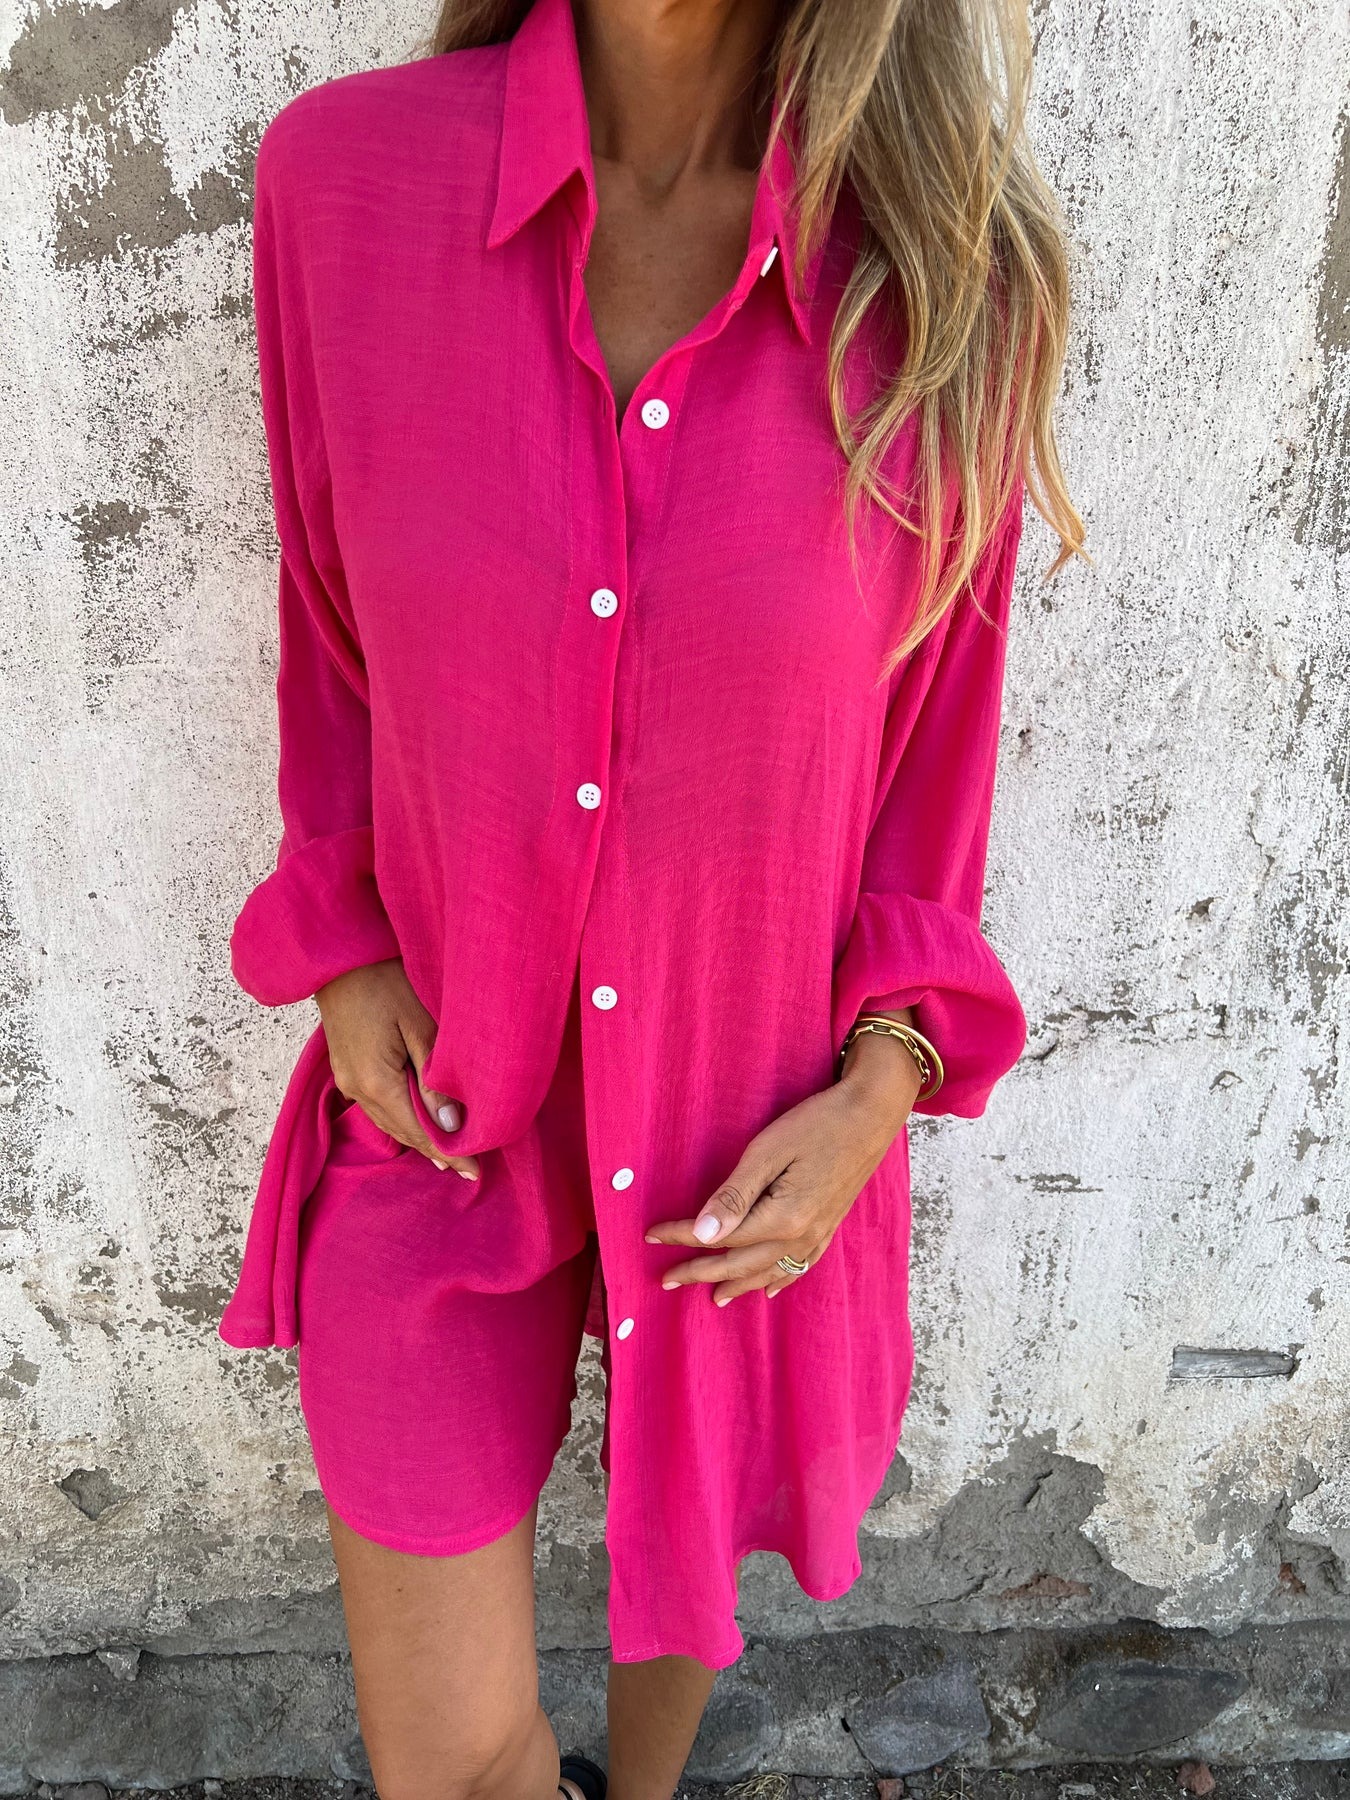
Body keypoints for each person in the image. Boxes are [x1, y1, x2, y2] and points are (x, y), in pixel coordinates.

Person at [218, 1, 1083, 1796]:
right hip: (441, 1107)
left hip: (743, 1139)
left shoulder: (944, 272)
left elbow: (934, 761)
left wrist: (880, 1088)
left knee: (662, 1688)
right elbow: (325, 603)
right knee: (453, 1768)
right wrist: (347, 948)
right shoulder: (344, 184)